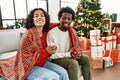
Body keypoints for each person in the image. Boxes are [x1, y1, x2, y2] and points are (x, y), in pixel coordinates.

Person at [0, 8, 69, 80]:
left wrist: (66, 24)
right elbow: (27, 58)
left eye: (42, 16)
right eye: (36, 16)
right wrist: (47, 51)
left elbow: (61, 25)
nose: (39, 17)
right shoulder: (28, 34)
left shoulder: (46, 31)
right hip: (28, 66)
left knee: (63, 72)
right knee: (54, 77)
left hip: (42, 62)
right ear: (32, 20)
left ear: (45, 19)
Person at [47, 6, 92, 80]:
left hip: (68, 56)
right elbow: (51, 56)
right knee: (73, 63)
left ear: (72, 21)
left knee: (85, 59)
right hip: (56, 59)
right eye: (64, 18)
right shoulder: (51, 33)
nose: (66, 21)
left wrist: (77, 54)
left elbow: (76, 48)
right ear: (59, 18)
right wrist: (69, 54)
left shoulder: (72, 32)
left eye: (69, 19)